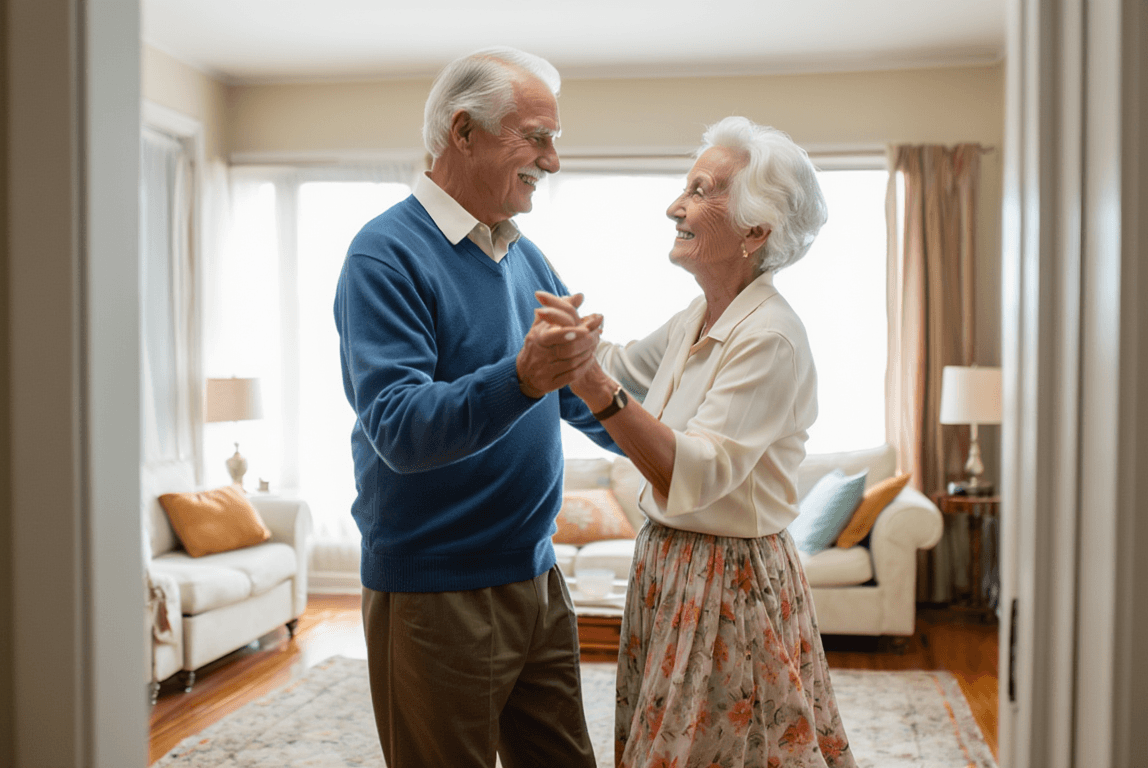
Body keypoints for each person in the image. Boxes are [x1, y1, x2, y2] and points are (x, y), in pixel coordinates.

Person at [534, 116, 858, 767]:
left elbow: (696, 473)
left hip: (725, 580)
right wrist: (567, 342)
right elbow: (621, 369)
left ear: (756, 232)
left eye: (702, 190)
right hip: (671, 567)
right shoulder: (699, 315)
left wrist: (591, 375)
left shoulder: (769, 335)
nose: (675, 206)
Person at [333, 46, 616, 768]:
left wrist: (680, 435)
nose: (552, 162)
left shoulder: (525, 256)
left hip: (537, 575)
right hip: (438, 592)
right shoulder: (384, 255)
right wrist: (522, 378)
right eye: (538, 138)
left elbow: (576, 392)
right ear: (463, 132)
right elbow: (398, 426)